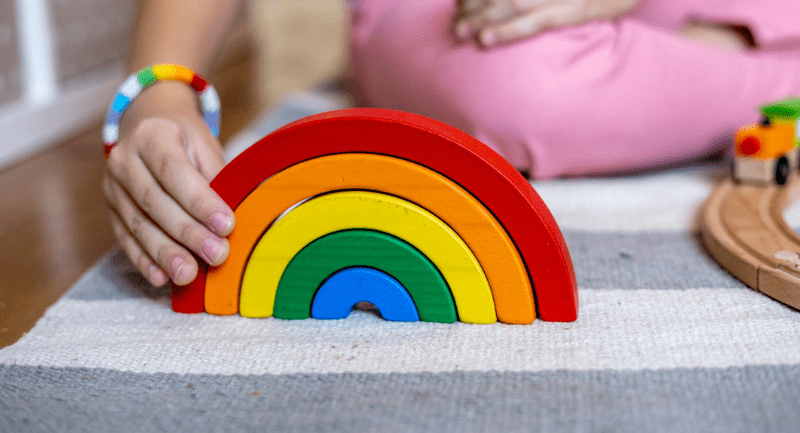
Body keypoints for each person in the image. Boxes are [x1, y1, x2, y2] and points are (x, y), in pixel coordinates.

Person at [104, 0, 800, 288]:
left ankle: (713, 41)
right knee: (521, 89)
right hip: (467, 28)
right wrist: (159, 91)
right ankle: (727, 54)